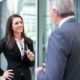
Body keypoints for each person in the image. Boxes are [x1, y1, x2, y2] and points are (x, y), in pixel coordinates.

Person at [37, 0, 80, 80]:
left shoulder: (59, 34)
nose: (50, 15)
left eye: (50, 11)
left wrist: (39, 73)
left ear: (55, 12)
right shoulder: (77, 28)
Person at [0, 14, 35, 80]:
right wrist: (2, 73)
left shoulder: (29, 41)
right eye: (16, 23)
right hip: (12, 77)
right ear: (11, 27)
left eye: (21, 22)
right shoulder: (5, 41)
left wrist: (32, 59)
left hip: (27, 77)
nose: (20, 25)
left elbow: (31, 65)